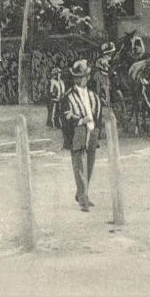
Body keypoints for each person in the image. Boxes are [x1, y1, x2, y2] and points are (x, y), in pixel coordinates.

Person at [61, 60, 102, 212]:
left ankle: (82, 193)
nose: (79, 80)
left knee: (89, 166)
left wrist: (97, 129)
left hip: (92, 132)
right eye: (76, 77)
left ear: (88, 77)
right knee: (79, 167)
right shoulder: (68, 96)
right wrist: (80, 120)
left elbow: (98, 114)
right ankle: (84, 199)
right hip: (78, 133)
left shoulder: (93, 95)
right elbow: (65, 115)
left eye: (82, 77)